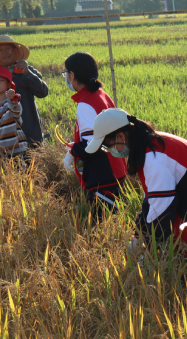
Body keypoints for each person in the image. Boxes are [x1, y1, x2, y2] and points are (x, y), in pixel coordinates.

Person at [87, 108, 187, 261]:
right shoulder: (152, 143)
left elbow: (162, 211)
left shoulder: (154, 157)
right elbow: (152, 201)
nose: (109, 151)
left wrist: (150, 254)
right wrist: (138, 235)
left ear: (121, 136)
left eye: (108, 146)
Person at [61, 52, 128, 216]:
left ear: (72, 75)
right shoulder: (101, 94)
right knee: (117, 220)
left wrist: (73, 151)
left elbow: (93, 144)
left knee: (103, 226)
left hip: (102, 175)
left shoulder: (85, 104)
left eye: (66, 74)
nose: (67, 79)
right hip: (116, 167)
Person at [0, 35, 48, 148]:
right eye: (0, 50)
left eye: (8, 49)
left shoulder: (28, 71)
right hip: (2, 138)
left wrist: (27, 74)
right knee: (8, 164)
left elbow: (43, 92)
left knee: (34, 163)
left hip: (30, 134)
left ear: (16, 51)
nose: (4, 52)